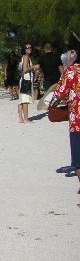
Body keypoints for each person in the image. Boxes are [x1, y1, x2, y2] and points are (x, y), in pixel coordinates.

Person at [50, 50, 80, 197]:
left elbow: (59, 93)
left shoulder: (70, 72)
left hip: (77, 120)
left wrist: (52, 104)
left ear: (67, 61)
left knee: (78, 159)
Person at [18, 44, 39, 123]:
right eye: (27, 48)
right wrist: (34, 67)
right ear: (25, 49)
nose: (29, 49)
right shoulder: (26, 57)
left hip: (23, 80)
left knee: (21, 100)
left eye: (31, 47)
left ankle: (21, 118)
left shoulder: (24, 57)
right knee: (25, 100)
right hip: (26, 80)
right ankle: (26, 119)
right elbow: (25, 70)